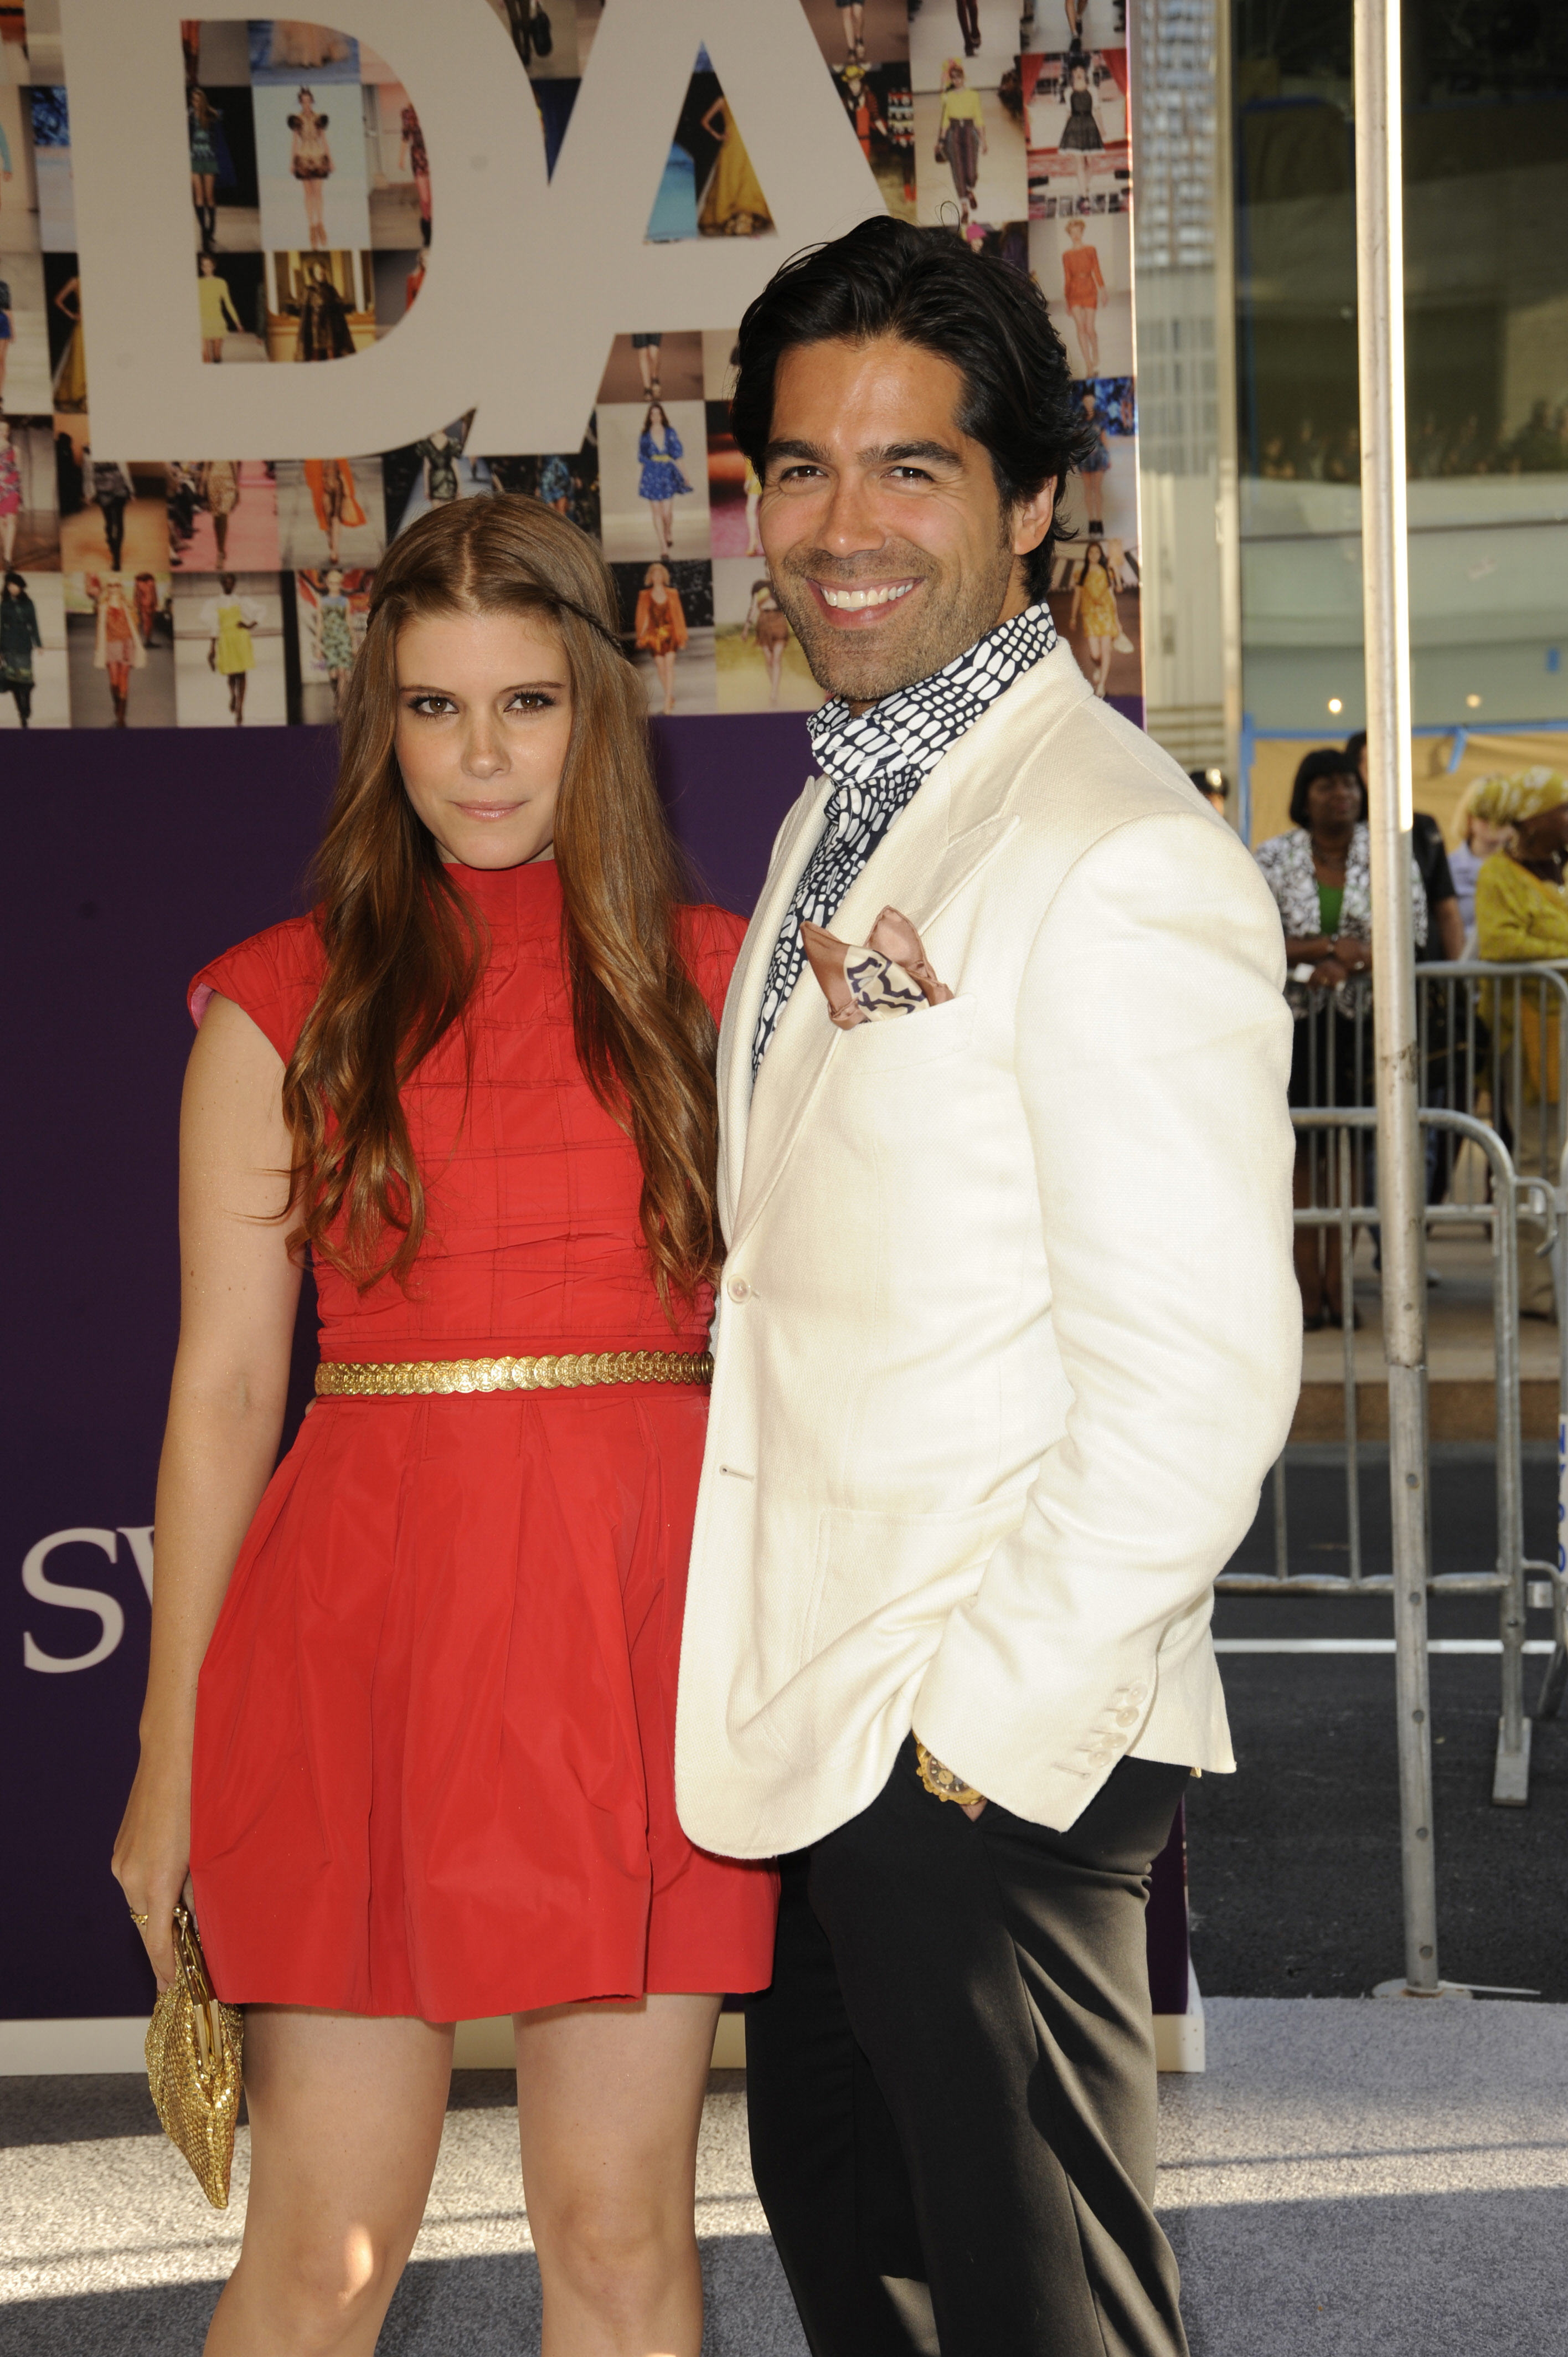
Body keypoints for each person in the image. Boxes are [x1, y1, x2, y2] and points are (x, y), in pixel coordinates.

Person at [677, 213, 1300, 2357]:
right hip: (830, 1727)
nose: (840, 527)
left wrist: (975, 1748)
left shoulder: (1113, 846)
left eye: (911, 466)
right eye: (801, 467)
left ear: (1033, 500)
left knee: (1045, 2325)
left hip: (976, 1754)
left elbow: (1199, 1376)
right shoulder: (844, 809)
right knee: (879, 2292)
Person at [111, 496, 777, 2355]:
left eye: (526, 703)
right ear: (380, 727)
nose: (480, 756)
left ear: (596, 713)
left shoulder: (723, 980)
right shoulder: (279, 1002)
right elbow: (225, 1389)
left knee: (621, 2236)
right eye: (433, 707)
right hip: (363, 1643)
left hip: (637, 1644)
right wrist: (168, 1754)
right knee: (323, 2255)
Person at [1254, 749, 1428, 1327]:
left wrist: (1353, 961)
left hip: (1365, 1028)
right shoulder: (1272, 856)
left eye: (1350, 784)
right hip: (1294, 1029)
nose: (1342, 795)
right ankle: (1307, 1292)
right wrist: (1328, 950)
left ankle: (1340, 1286)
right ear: (1304, 796)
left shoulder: (1390, 853)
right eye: (1327, 785)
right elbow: (1254, 934)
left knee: (1350, 1156)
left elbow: (1413, 933)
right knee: (1303, 1158)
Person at [1473, 768, 1568, 1318]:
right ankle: (1537, 1289)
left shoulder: (1561, 867)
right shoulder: (1498, 875)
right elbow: (1501, 942)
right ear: (1531, 819)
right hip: (1533, 1036)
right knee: (1538, 1158)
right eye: (1562, 808)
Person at [1344, 729, 1463, 963]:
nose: (1385, 773)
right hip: (1360, 969)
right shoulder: (1338, 831)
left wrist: (1459, 976)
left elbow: (1447, 909)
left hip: (1422, 968)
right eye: (1374, 765)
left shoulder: (1422, 828)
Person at [1449, 776, 1513, 947]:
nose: (1494, 822)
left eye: (1502, 814)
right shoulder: (1447, 870)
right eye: (1485, 814)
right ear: (1469, 818)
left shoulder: (1529, 871)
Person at [697, 94, 772, 235]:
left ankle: (744, 220)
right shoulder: (722, 101)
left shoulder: (745, 100)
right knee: (729, 181)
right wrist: (718, 135)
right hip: (732, 146)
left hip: (745, 146)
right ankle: (733, 221)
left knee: (746, 182)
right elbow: (705, 121)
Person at [202, 569, 261, 724]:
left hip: (241, 639)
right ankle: (233, 696)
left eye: (231, 582)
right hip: (225, 640)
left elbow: (260, 611)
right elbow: (214, 626)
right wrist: (212, 648)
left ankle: (241, 709)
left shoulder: (241, 601)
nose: (228, 585)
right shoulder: (215, 603)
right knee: (231, 674)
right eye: (225, 582)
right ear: (221, 584)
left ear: (235, 584)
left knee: (242, 674)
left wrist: (249, 626)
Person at [636, 402, 693, 558]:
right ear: (649, 416)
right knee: (656, 512)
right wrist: (643, 480)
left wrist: (685, 475)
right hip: (651, 474)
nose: (655, 416)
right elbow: (642, 458)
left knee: (667, 513)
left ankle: (668, 531)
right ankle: (663, 547)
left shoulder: (670, 432)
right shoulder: (645, 435)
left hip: (667, 474)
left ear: (662, 415)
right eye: (652, 414)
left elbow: (678, 456)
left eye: (658, 413)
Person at [90, 570, 146, 726]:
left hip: (127, 644)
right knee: (114, 681)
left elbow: (135, 625)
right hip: (110, 645)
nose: (114, 588)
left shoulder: (128, 605)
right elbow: (100, 629)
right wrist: (98, 649)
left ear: (121, 588)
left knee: (123, 679)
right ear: (107, 588)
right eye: (111, 585)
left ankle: (121, 715)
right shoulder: (103, 607)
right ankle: (117, 705)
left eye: (116, 585)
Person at [1066, 533, 1119, 695]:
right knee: (1095, 653)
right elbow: (1077, 597)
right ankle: (1098, 666)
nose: (1094, 555)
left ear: (1101, 555)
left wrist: (1117, 620)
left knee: (1106, 650)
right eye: (1091, 552)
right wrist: (1073, 617)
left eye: (1097, 552)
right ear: (1087, 555)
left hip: (1107, 614)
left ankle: (1102, 685)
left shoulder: (1107, 572)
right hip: (1090, 616)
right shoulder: (1081, 574)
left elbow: (1111, 595)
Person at [634, 557, 687, 714]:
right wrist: (641, 636)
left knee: (669, 666)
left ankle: (667, 701)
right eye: (654, 575)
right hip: (654, 636)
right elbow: (644, 617)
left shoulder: (672, 593)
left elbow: (678, 615)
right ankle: (669, 696)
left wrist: (682, 637)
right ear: (650, 577)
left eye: (660, 574)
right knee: (661, 667)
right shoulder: (645, 595)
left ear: (664, 576)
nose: (657, 577)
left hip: (670, 634)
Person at [935, 58, 985, 224]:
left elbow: (979, 119)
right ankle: (964, 208)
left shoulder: (974, 95)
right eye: (954, 78)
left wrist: (984, 141)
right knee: (958, 170)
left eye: (959, 77)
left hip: (970, 132)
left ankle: (970, 191)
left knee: (971, 171)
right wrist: (941, 141)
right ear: (951, 79)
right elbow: (945, 120)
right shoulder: (949, 96)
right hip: (954, 133)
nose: (957, 81)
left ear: (964, 77)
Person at [288, 86, 333, 251]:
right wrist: (292, 162)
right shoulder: (297, 119)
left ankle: (321, 225)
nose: (307, 104)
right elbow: (295, 141)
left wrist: (330, 160)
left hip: (318, 155)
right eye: (304, 101)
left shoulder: (319, 118)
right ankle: (311, 228)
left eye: (309, 101)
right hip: (303, 156)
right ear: (300, 102)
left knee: (318, 193)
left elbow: (324, 139)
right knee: (308, 194)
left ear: (312, 101)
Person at [302, 456, 367, 565]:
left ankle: (335, 551)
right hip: (323, 485)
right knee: (327, 518)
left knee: (336, 517)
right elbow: (310, 469)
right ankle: (332, 544)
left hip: (337, 483)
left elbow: (343, 466)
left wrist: (347, 488)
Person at [1061, 216, 1105, 372]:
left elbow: (1097, 270)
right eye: (1073, 232)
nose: (1076, 235)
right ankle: (1088, 363)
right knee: (1080, 328)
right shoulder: (1066, 255)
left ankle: (1096, 350)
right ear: (1069, 234)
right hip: (1074, 293)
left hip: (1089, 290)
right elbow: (1067, 277)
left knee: (1090, 328)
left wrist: (1103, 290)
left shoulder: (1090, 250)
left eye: (1078, 231)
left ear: (1082, 232)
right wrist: (1067, 300)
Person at [0, 569, 43, 727]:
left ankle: (27, 705)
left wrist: (38, 643)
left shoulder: (28, 604)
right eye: (9, 586)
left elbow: (34, 624)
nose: (12, 588)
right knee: (14, 682)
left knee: (26, 681)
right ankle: (22, 714)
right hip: (9, 645)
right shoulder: (5, 605)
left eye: (15, 585)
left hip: (24, 645)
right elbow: (1, 628)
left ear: (21, 586)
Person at [291, 260, 355, 361]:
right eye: (318, 273)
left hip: (330, 328)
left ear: (325, 273)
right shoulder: (309, 290)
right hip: (315, 328)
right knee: (315, 354)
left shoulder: (331, 290)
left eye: (322, 273)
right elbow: (303, 310)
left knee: (332, 353)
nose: (321, 275)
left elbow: (339, 308)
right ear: (315, 273)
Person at [742, 576, 791, 707]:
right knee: (769, 659)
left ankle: (774, 693)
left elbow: (790, 605)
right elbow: (753, 607)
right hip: (764, 621)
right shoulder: (759, 586)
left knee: (776, 659)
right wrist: (746, 628)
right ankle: (775, 688)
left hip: (779, 620)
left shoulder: (781, 584)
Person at [188, 86, 223, 253]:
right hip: (194, 158)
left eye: (197, 100)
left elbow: (218, 137)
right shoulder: (189, 117)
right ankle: (204, 233)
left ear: (202, 101)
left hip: (209, 158)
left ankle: (212, 224)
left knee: (209, 197)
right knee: (199, 198)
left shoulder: (211, 116)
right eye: (193, 100)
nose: (194, 103)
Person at [197, 254, 241, 364]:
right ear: (201, 267)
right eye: (204, 266)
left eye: (209, 265)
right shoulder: (197, 283)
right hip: (202, 322)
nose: (206, 268)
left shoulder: (221, 283)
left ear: (213, 266)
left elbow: (228, 304)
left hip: (217, 321)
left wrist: (237, 323)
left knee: (217, 355)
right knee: (204, 355)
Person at [198, 459, 241, 567]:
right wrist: (202, 487)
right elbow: (206, 466)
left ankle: (220, 553)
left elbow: (236, 467)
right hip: (213, 482)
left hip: (229, 483)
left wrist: (237, 489)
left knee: (223, 514)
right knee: (216, 517)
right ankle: (220, 548)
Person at [399, 100, 431, 248]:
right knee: (425, 199)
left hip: (435, 159)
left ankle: (436, 232)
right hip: (419, 159)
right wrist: (401, 159)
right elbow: (405, 137)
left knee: (434, 200)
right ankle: (427, 231)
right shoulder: (408, 114)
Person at [0, 418, 20, 568]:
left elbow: (18, 470)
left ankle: (8, 558)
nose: (3, 432)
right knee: (1, 522)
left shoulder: (15, 449)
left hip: (12, 486)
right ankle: (6, 550)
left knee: (12, 520)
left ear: (9, 432)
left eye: (5, 430)